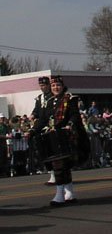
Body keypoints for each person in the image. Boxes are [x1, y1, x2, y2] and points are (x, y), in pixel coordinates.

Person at [32, 75, 90, 206]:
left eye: (58, 85)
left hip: (66, 136)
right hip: (54, 137)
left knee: (59, 165)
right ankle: (70, 193)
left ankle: (59, 195)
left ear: (62, 86)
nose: (55, 88)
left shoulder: (70, 99)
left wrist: (69, 124)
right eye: (53, 86)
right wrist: (33, 130)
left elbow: (75, 116)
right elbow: (43, 119)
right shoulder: (50, 101)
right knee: (61, 165)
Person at [29, 76, 57, 185]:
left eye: (44, 85)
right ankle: (51, 173)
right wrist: (33, 115)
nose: (42, 87)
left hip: (50, 127)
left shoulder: (53, 97)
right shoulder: (40, 98)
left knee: (53, 151)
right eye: (41, 85)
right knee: (44, 152)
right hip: (40, 127)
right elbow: (37, 110)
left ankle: (57, 174)